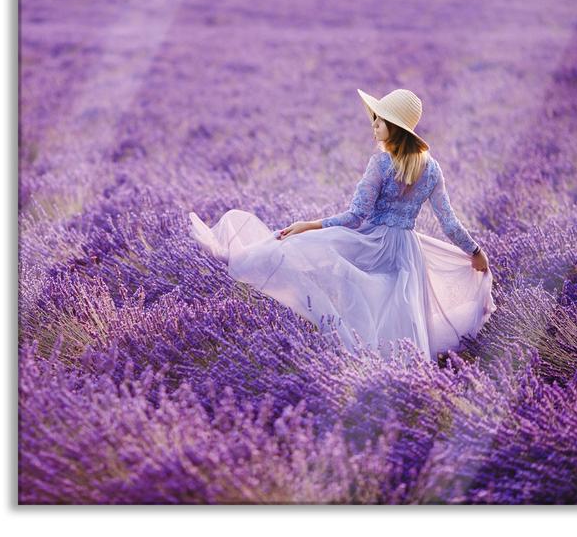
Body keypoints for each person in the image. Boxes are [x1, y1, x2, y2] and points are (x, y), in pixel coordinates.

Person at [189, 88, 496, 362]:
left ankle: (237, 255)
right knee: (397, 312)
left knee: (299, 248)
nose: (373, 126)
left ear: (394, 127)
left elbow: (355, 216)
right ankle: (399, 371)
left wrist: (309, 225)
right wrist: (475, 251)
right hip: (406, 250)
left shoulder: (380, 163)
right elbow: (449, 222)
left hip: (372, 243)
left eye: (379, 121)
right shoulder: (431, 169)